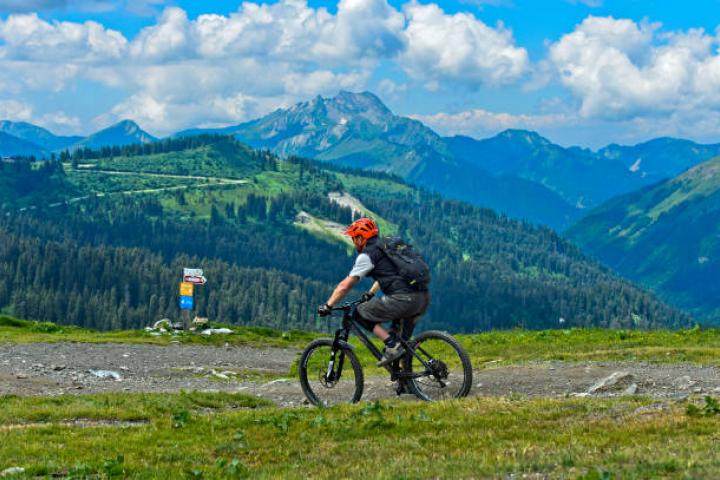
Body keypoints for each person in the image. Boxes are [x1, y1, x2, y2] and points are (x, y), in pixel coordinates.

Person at [317, 217, 430, 367]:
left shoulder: (367, 255)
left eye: (353, 238)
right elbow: (392, 273)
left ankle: (391, 344)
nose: (353, 241)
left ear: (360, 238)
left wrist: (328, 306)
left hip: (403, 299)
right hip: (422, 297)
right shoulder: (387, 246)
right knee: (403, 341)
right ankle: (406, 381)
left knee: (359, 313)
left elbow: (345, 285)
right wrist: (370, 293)